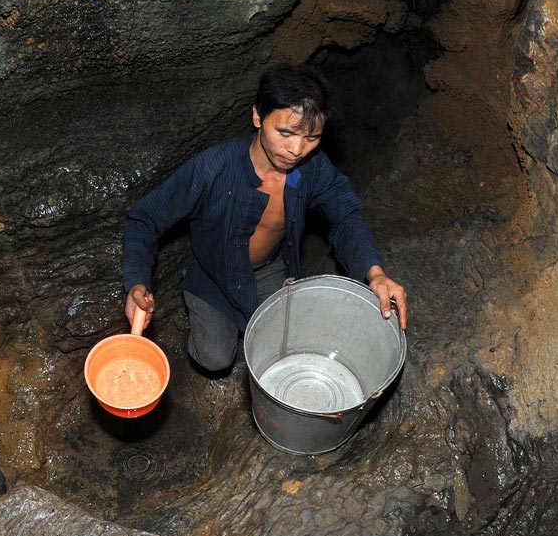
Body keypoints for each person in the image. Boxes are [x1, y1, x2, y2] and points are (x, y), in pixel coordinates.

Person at [122, 63, 407, 373]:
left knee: (293, 348)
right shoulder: (213, 168)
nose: (296, 149)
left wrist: (374, 272)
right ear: (258, 116)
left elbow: (346, 214)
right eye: (285, 132)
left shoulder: (312, 168)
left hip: (269, 270)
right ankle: (209, 320)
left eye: (311, 137)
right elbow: (144, 218)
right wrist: (137, 282)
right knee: (216, 358)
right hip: (211, 274)